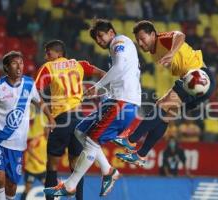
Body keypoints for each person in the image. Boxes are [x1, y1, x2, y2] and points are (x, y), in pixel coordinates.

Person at [43, 18, 141, 198]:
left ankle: (71, 185)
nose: (100, 41)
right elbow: (121, 73)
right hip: (115, 100)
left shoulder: (119, 42)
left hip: (123, 102)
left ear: (111, 32)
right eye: (97, 39)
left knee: (92, 142)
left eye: (101, 36)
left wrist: (97, 86)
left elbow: (119, 67)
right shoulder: (118, 48)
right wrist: (101, 92)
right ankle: (108, 170)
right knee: (80, 131)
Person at [114, 20, 216, 166]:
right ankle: (141, 155)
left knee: (161, 105)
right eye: (138, 41)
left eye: (142, 39)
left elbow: (180, 35)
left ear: (153, 35)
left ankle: (131, 140)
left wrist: (172, 52)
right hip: (196, 84)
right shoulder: (153, 54)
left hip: (198, 76)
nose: (141, 43)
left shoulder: (162, 39)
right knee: (165, 117)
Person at [0, 51, 56, 200]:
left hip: (17, 145)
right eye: (15, 63)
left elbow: (39, 101)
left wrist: (50, 117)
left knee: (12, 185)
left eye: (21, 63)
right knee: (0, 180)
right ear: (6, 68)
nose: (19, 66)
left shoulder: (29, 83)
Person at [35, 39, 105, 200]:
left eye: (48, 52)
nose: (46, 56)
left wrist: (49, 116)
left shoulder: (48, 67)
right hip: (80, 119)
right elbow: (103, 74)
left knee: (52, 165)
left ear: (58, 53)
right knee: (76, 166)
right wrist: (98, 90)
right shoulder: (79, 64)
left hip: (62, 119)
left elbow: (34, 91)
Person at [20, 125, 49, 200]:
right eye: (47, 129)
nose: (49, 130)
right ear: (45, 129)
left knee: (48, 188)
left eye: (50, 129)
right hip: (31, 169)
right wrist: (38, 159)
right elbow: (29, 148)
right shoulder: (39, 138)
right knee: (28, 188)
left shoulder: (51, 140)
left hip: (42, 169)